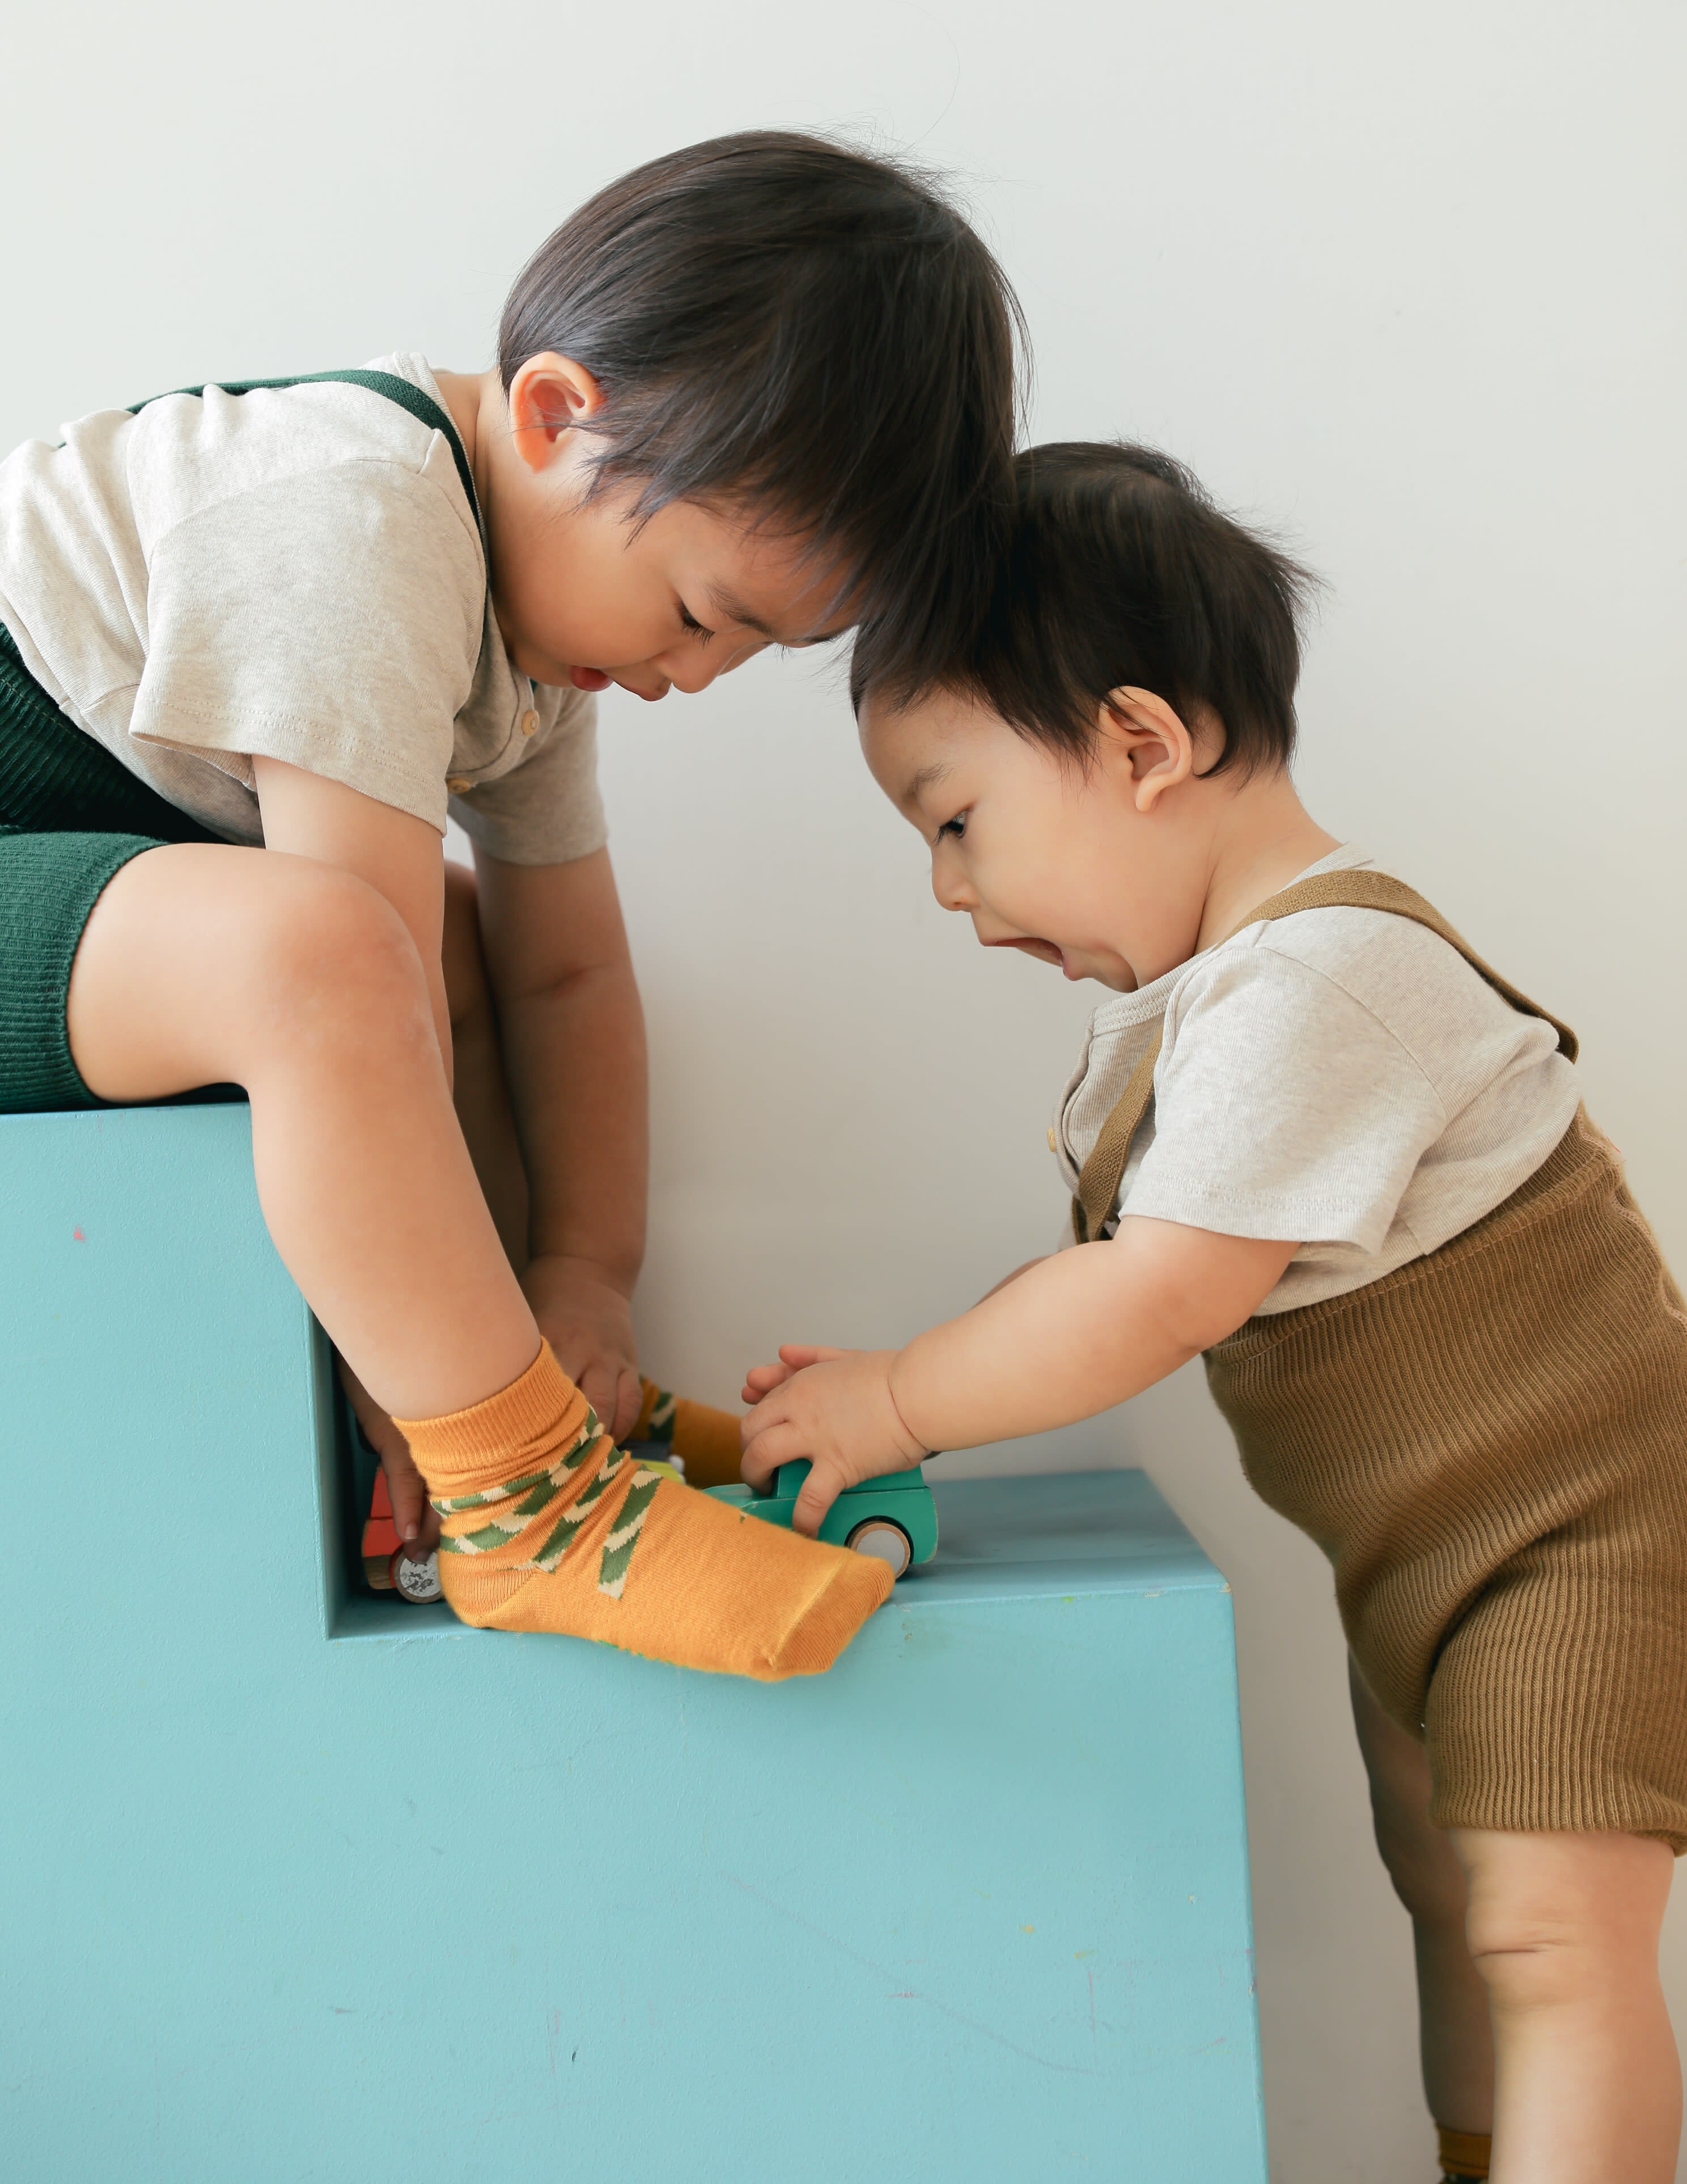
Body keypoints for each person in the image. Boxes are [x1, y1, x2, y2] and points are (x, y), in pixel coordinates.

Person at [741, 441, 1686, 2175]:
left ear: (1139, 744)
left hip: (1582, 1537)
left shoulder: (1322, 975)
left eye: (956, 824)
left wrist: (901, 1399)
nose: (952, 896)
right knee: (1450, 1884)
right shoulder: (1223, 1001)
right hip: (1427, 1552)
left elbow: (1152, 1292)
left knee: (1555, 1937)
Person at [0, 130, 1021, 1680]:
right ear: (554, 417)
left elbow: (565, 982)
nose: (690, 678)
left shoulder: (530, 641)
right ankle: (527, 1499)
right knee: (339, 956)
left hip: (64, 876)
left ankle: (545, 1405)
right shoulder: (350, 518)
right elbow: (357, 978)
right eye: (698, 615)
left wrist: (586, 1278)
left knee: (442, 942)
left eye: (745, 655)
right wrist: (410, 1376)